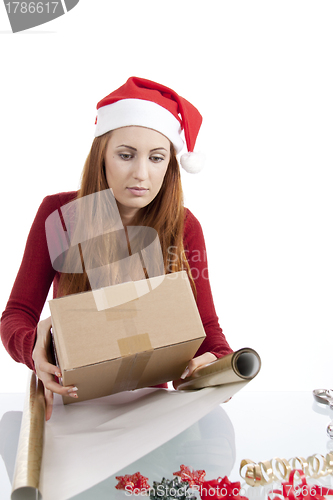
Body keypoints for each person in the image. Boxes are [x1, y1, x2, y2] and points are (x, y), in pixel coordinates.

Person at [0, 77, 232, 421]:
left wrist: (219, 360)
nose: (141, 174)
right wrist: (37, 345)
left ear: (170, 165)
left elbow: (207, 330)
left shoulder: (184, 227)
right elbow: (15, 315)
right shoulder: (60, 216)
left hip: (151, 414)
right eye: (126, 155)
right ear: (102, 157)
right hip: (72, 405)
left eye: (156, 158)